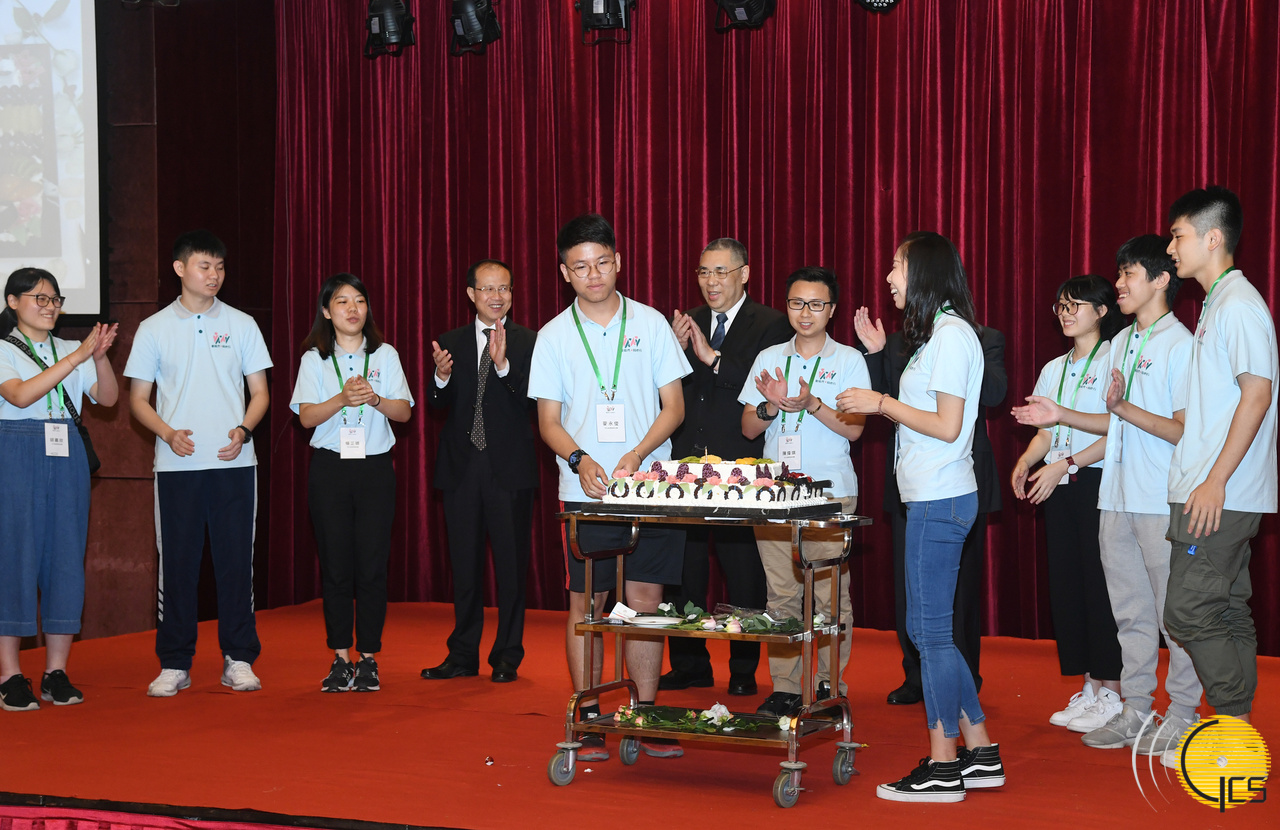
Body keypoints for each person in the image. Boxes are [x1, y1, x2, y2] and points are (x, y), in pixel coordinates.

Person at [1013, 235, 1202, 752]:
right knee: (1129, 614)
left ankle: (1183, 715)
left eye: (1128, 274)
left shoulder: (1181, 345)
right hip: (1114, 497)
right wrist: (1058, 425)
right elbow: (1105, 423)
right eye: (1118, 274)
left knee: (1174, 617)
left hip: (1160, 498)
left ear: (1160, 280)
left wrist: (1117, 410)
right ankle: (1135, 709)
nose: (1118, 284)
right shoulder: (1119, 344)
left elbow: (1184, 431)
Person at [836, 231, 1004, 803]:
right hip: (931, 496)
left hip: (940, 498)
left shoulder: (952, 336)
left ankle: (942, 763)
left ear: (924, 272)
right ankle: (979, 748)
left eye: (897, 267)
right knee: (928, 630)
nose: (889, 278)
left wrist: (880, 403)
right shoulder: (939, 334)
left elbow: (949, 426)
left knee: (929, 633)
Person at [527, 213, 691, 761]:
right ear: (564, 273)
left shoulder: (651, 323)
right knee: (587, 603)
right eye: (580, 267)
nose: (593, 274)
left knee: (646, 602)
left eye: (601, 262)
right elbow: (548, 421)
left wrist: (638, 453)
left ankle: (644, 715)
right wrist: (578, 459)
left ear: (618, 262)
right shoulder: (553, 336)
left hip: (651, 486)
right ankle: (590, 716)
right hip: (586, 492)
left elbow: (675, 407)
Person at [124, 230, 272, 697]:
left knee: (236, 565)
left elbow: (261, 392)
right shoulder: (153, 328)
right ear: (180, 268)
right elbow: (138, 400)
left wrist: (244, 429)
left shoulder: (243, 324)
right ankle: (174, 663)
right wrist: (168, 433)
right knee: (178, 566)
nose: (214, 275)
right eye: (205, 266)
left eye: (220, 267)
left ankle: (239, 658)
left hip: (235, 464)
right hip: (176, 467)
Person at [1162, 186, 1276, 743]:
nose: (1170, 247)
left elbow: (1258, 393)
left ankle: (1232, 727)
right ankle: (1239, 728)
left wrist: (1215, 480)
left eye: (1178, 235)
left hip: (1219, 493)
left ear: (1212, 238)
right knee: (1227, 609)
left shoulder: (1238, 306)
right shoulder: (1216, 304)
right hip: (1215, 489)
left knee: (1186, 612)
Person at [854, 308, 1006, 705]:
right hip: (912, 479)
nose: (891, 281)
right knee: (915, 598)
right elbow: (884, 400)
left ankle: (964, 683)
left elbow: (991, 395)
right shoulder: (904, 340)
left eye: (900, 274)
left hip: (952, 480)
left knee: (957, 593)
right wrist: (877, 353)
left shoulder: (971, 338)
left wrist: (960, 363)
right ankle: (918, 675)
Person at [663, 238, 791, 697]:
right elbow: (666, 389)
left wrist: (713, 359)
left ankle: (742, 669)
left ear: (745, 273)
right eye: (703, 272)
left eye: (720, 272)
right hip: (686, 466)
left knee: (744, 571)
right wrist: (674, 352)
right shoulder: (688, 322)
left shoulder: (772, 324)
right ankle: (690, 664)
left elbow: (764, 385)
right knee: (684, 570)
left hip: (741, 465)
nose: (711, 282)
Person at [739, 266, 869, 718]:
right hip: (775, 494)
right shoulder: (769, 357)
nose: (806, 312)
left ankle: (829, 686)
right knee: (780, 596)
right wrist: (770, 405)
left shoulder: (849, 360)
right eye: (797, 303)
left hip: (831, 495)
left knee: (830, 596)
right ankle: (786, 688)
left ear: (832, 310)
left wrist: (813, 404)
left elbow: (854, 429)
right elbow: (748, 428)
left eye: (816, 304)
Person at [1009, 274, 1123, 733]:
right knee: (1068, 586)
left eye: (1076, 305)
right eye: (1061, 305)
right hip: (1059, 483)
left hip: (1098, 481)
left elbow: (1119, 428)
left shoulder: (1116, 357)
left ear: (1102, 311)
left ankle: (1113, 690)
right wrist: (1026, 461)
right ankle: (1090, 687)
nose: (1066, 313)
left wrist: (1067, 463)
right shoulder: (1053, 368)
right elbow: (1046, 432)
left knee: (1101, 587)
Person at [0, 269, 117, 711]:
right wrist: (77, 357)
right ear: (13, 302)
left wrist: (98, 358)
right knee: (15, 557)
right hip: (16, 451)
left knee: (66, 557)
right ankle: (9, 675)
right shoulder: (3, 349)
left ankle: (56, 671)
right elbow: (20, 395)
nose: (50, 307)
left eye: (55, 299)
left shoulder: (71, 348)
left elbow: (108, 399)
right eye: (39, 298)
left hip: (65, 451)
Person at [290, 273, 413, 692]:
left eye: (359, 300)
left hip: (374, 469)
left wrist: (374, 398)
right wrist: (342, 399)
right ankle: (340, 657)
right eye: (342, 302)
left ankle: (369, 658)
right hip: (330, 470)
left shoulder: (385, 355)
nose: (353, 309)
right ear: (327, 311)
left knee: (372, 567)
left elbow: (404, 413)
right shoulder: (314, 359)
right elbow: (306, 417)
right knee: (337, 566)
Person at [422, 259, 536, 684]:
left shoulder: (530, 341)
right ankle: (462, 654)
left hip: (509, 470)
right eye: (487, 288)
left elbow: (534, 401)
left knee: (511, 569)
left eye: (503, 288)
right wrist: (440, 376)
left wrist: (504, 367)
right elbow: (436, 404)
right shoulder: (451, 341)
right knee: (465, 568)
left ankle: (507, 655)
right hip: (462, 469)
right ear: (471, 294)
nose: (496, 296)